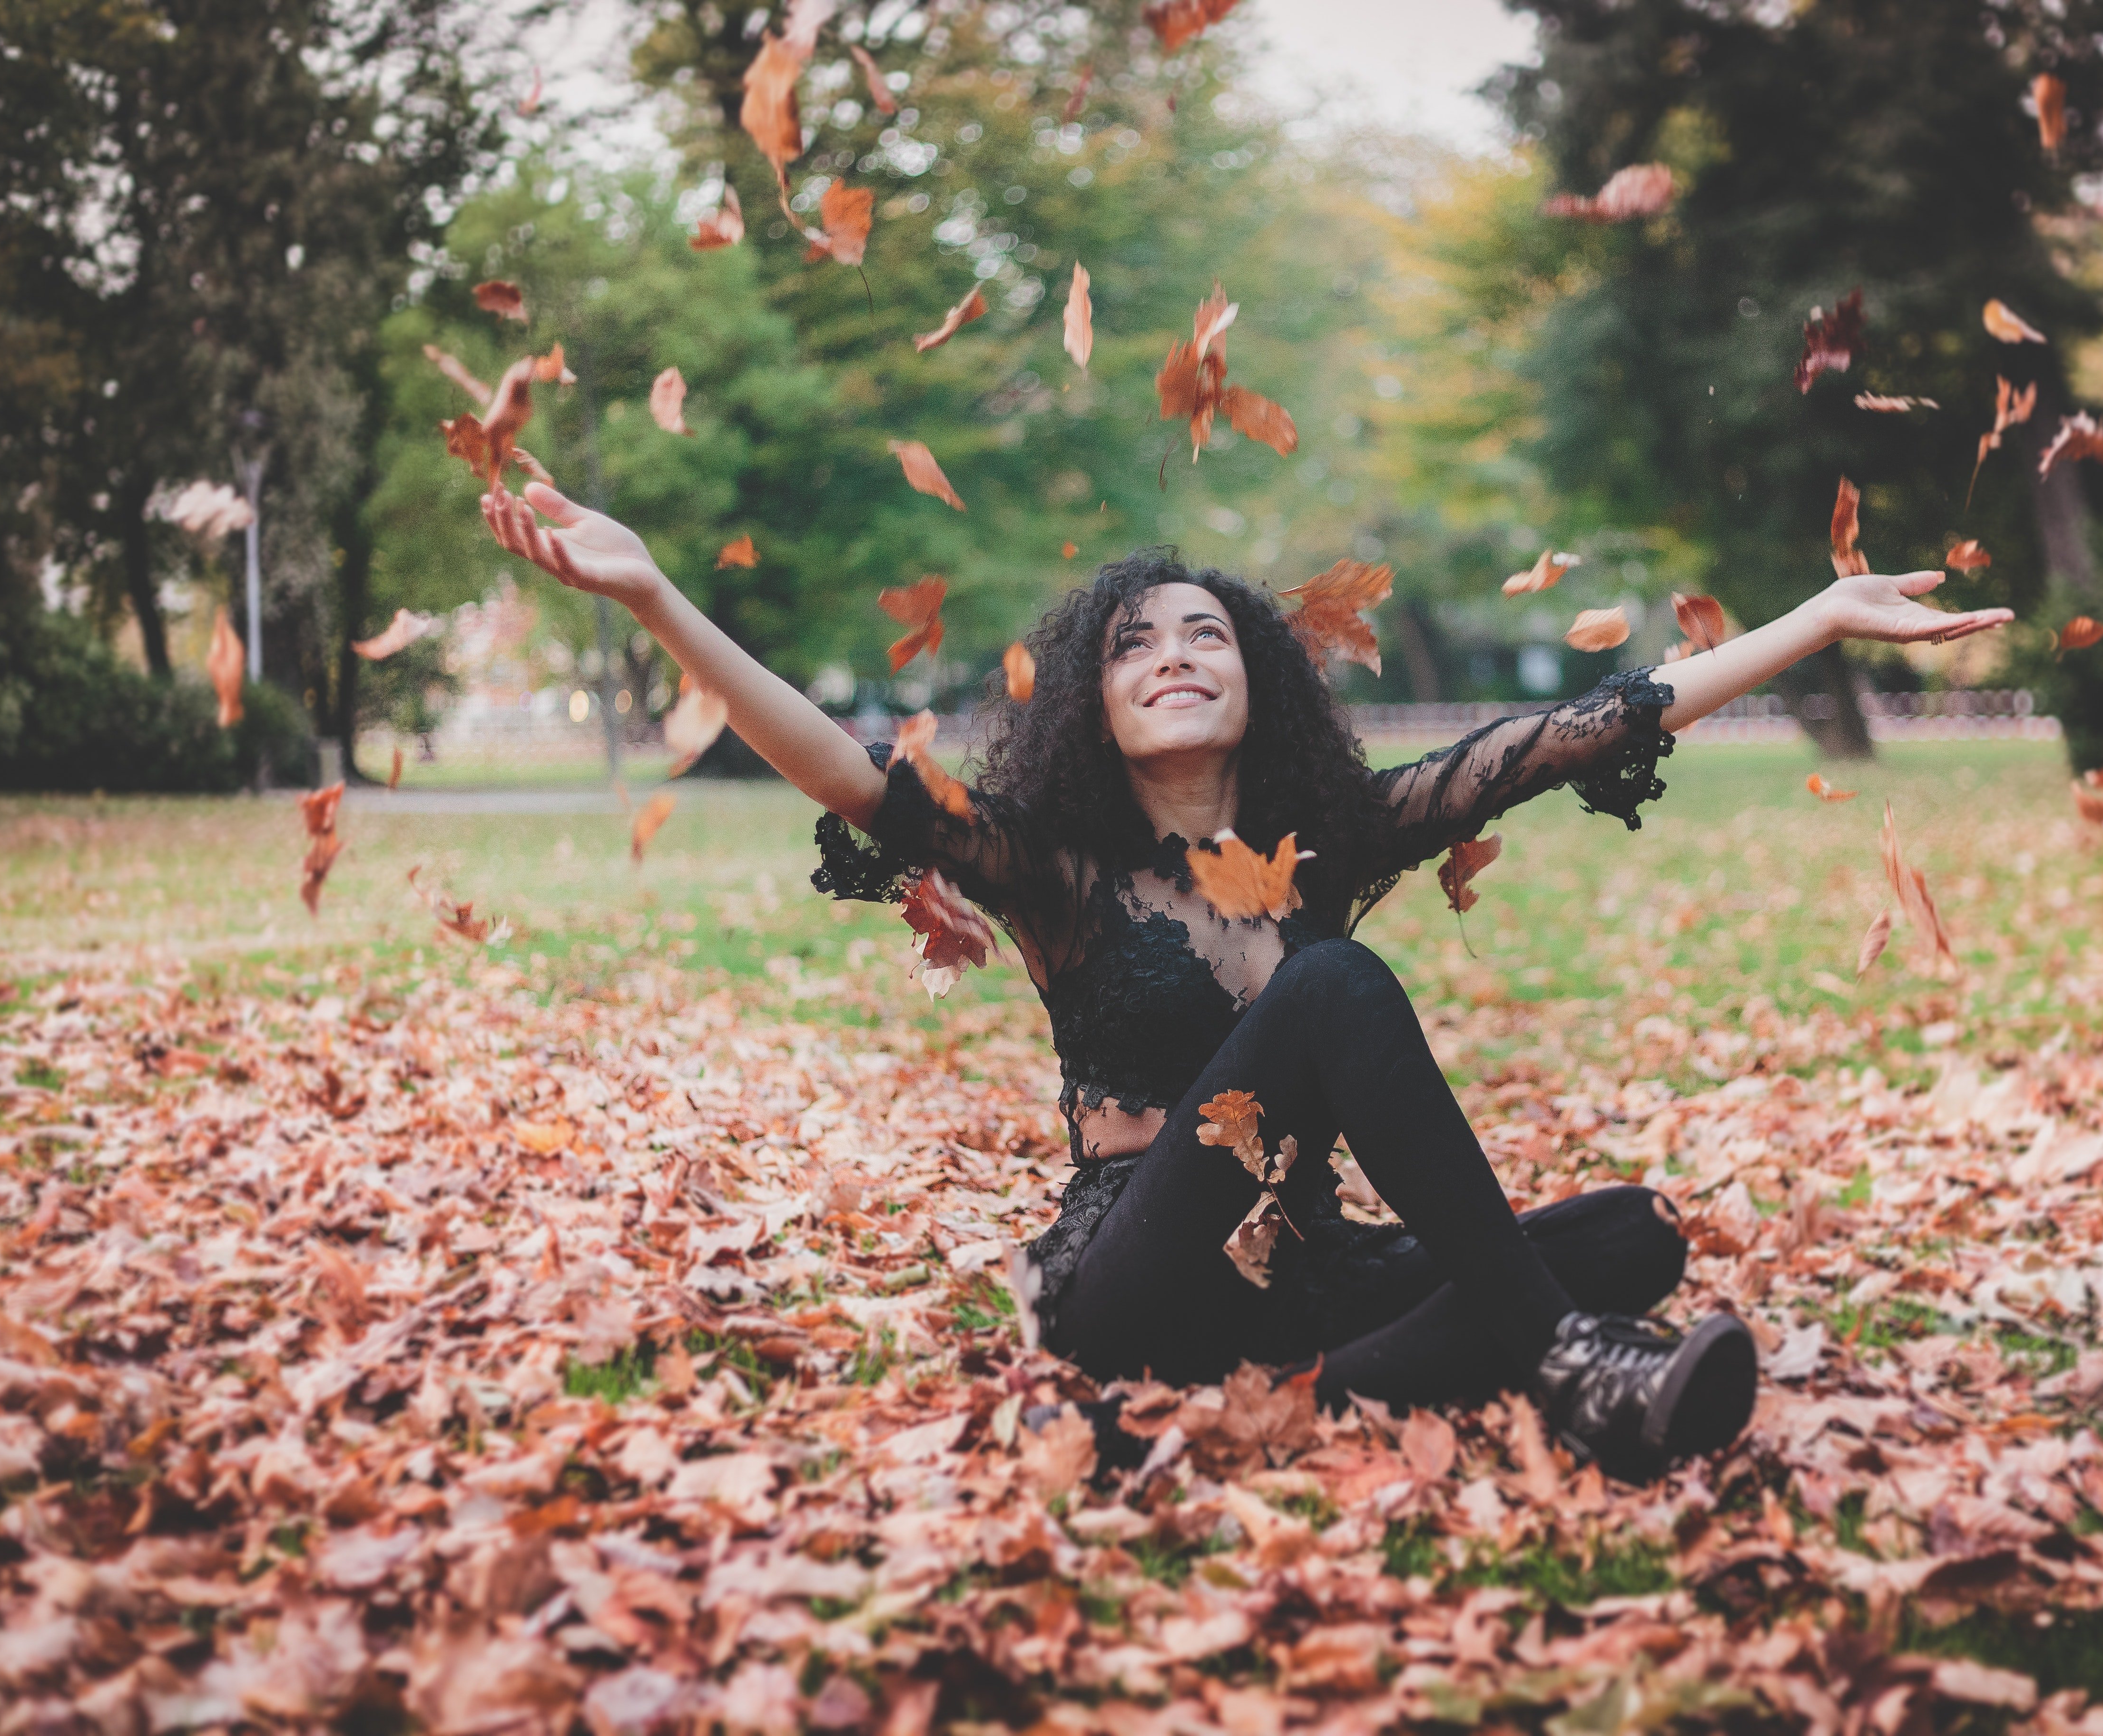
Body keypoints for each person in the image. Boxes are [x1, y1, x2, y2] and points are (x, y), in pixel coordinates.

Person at [480, 483, 2010, 1480]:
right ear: (1095, 700)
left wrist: (1810, 623)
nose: (1174, 656)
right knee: (1337, 988)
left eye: (1207, 636)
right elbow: (847, 767)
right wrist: (657, 601)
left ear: (1255, 679)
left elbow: (1581, 731)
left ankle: (1325, 1396)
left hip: (1305, 1279)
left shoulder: (1330, 845)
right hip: (1132, 1275)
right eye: (1134, 645)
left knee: (1634, 1236)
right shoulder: (1054, 871)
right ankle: (1561, 1369)